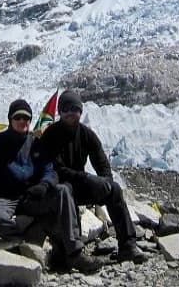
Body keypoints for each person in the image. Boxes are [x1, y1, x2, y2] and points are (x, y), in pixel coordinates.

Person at [0, 99, 102, 274]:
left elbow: (50, 171)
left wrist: (44, 185)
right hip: (3, 199)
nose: (23, 121)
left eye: (27, 118)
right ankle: (26, 241)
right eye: (18, 117)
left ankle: (74, 252)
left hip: (30, 197)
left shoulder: (36, 144)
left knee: (63, 190)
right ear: (10, 119)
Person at [38, 90, 148, 263]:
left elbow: (102, 163)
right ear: (59, 112)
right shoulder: (50, 135)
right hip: (58, 189)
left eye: (74, 109)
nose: (70, 113)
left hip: (79, 184)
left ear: (80, 112)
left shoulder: (87, 134)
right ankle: (74, 253)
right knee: (66, 190)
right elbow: (56, 170)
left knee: (115, 190)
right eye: (65, 109)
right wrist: (87, 178)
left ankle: (128, 246)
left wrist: (106, 183)